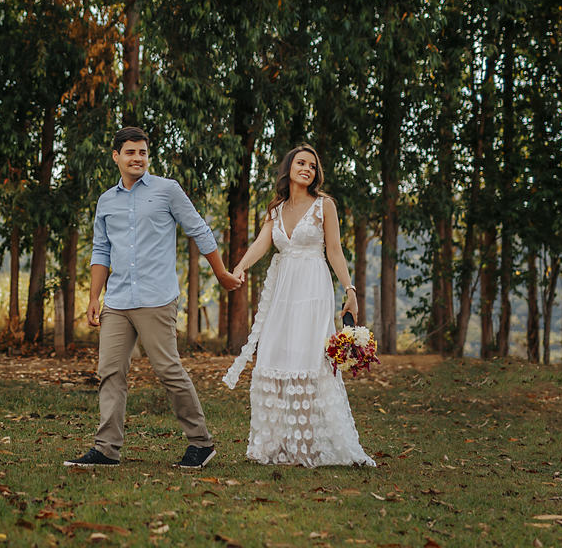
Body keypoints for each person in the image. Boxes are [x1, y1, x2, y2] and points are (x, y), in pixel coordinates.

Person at [65, 126, 241, 469]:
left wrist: (220, 273)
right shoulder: (106, 201)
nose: (137, 158)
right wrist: (93, 297)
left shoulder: (167, 191)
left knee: (168, 370)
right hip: (117, 301)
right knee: (110, 372)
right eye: (130, 152)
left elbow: (199, 229)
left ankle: (201, 443)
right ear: (116, 156)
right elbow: (101, 250)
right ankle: (106, 449)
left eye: (143, 152)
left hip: (156, 298)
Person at [222, 144, 374, 467]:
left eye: (312, 165)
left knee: (307, 362)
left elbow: (334, 250)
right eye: (301, 162)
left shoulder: (324, 206)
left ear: (316, 174)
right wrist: (241, 266)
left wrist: (350, 289)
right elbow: (263, 242)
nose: (307, 168)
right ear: (289, 167)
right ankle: (273, 445)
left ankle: (305, 448)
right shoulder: (276, 209)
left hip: (313, 290)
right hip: (283, 292)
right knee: (273, 357)